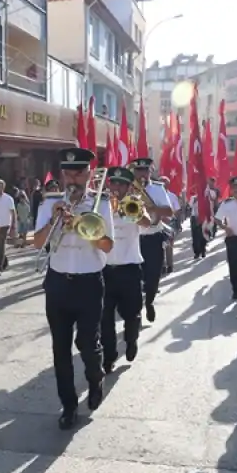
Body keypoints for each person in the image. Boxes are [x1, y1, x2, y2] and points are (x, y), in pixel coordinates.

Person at [33, 147, 114, 430]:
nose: (72, 179)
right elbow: (37, 243)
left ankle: (96, 377)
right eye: (68, 173)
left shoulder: (101, 204)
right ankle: (68, 405)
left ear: (89, 174)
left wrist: (82, 225)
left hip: (89, 283)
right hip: (57, 283)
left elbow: (108, 246)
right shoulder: (49, 204)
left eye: (78, 173)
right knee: (60, 348)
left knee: (89, 345)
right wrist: (54, 220)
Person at [101, 166, 151, 372]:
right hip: (104, 269)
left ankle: (131, 340)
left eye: (122, 184)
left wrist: (128, 211)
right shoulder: (101, 206)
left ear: (129, 187)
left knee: (132, 314)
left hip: (129, 269)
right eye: (114, 183)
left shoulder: (135, 203)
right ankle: (109, 356)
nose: (117, 187)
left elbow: (147, 223)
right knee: (104, 318)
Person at [130, 158, 174, 322]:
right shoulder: (128, 188)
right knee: (134, 278)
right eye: (138, 170)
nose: (142, 174)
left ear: (150, 172)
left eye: (145, 170)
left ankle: (149, 302)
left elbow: (169, 211)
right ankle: (136, 311)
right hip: (133, 239)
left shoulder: (157, 188)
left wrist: (151, 207)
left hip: (154, 237)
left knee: (153, 275)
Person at [161, 177, 181, 275]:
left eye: (165, 183)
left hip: (169, 223)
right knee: (160, 246)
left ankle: (170, 265)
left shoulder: (172, 196)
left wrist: (176, 223)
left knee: (169, 245)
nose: (163, 185)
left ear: (168, 184)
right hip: (157, 222)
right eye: (161, 183)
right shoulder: (155, 195)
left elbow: (177, 210)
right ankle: (162, 265)